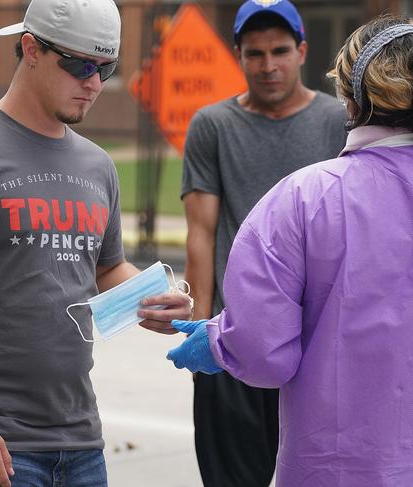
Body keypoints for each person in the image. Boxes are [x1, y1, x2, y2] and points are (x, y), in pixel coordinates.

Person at [0, 0, 192, 485]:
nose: (94, 84)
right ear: (31, 49)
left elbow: (104, 269)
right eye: (80, 65)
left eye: (106, 68)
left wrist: (157, 299)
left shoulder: (97, 165)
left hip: (78, 438)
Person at [169, 13, 413, 486]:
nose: (268, 64)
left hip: (338, 467)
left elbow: (264, 353)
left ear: (351, 96)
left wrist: (218, 341)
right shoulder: (218, 127)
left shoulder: (306, 196)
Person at [180, 1, 347, 486]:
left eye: (279, 51)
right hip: (237, 337)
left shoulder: (339, 121)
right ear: (238, 55)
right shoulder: (212, 125)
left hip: (319, 344)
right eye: (255, 53)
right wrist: (202, 328)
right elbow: (201, 233)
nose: (268, 65)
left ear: (302, 51)